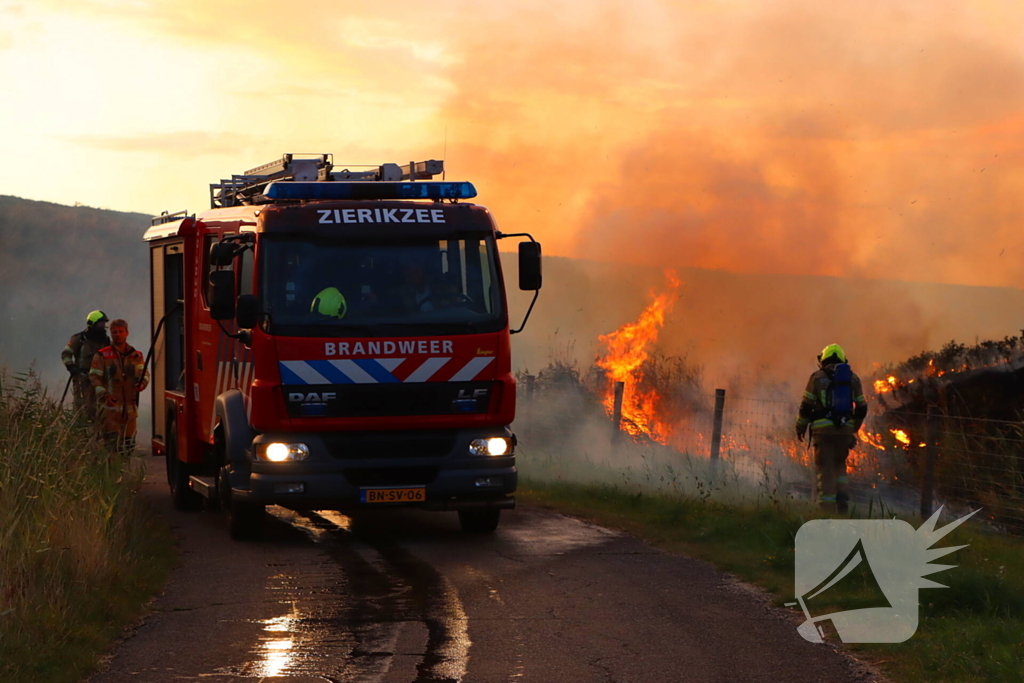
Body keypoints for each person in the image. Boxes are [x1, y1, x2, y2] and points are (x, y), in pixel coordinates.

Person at [795, 343, 868, 514]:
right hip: (844, 431)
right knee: (840, 465)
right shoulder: (853, 378)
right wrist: (853, 429)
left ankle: (826, 510)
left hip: (823, 433)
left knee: (825, 470)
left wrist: (800, 427)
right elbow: (862, 408)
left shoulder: (817, 377)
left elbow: (806, 406)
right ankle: (842, 500)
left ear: (823, 360)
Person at [89, 319, 149, 455]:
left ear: (127, 333)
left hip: (130, 413)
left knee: (128, 449)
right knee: (112, 448)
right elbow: (94, 377)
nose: (117, 335)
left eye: (120, 332)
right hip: (110, 412)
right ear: (111, 334)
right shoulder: (102, 355)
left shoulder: (136, 355)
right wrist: (104, 395)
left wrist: (142, 383)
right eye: (114, 332)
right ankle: (110, 468)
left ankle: (123, 468)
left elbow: (144, 373)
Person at [61, 310, 110, 416]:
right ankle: (80, 423)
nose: (103, 326)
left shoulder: (105, 341)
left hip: (99, 379)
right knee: (82, 405)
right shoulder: (80, 339)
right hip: (82, 378)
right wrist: (71, 366)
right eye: (101, 323)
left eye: (104, 323)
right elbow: (66, 354)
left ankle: (97, 425)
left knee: (99, 406)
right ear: (93, 323)